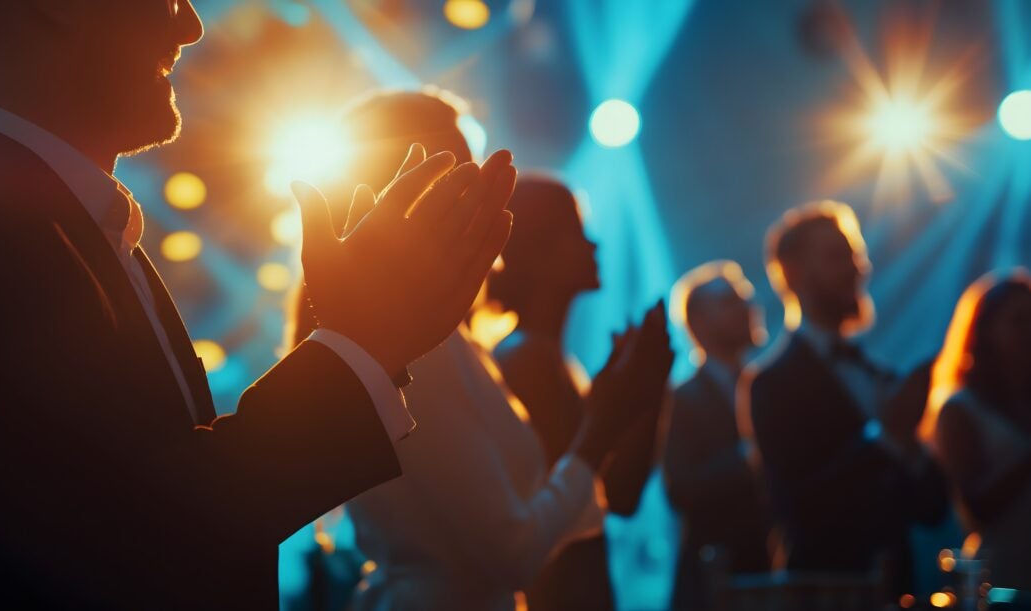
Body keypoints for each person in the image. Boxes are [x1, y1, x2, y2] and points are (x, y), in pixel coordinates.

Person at [0, 2, 515, 609]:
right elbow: (138, 541)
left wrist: (360, 342)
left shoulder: (45, 220)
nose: (190, 24)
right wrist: (362, 344)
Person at [288, 90, 668, 611]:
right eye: (463, 174)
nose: (489, 196)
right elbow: (512, 551)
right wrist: (603, 423)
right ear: (400, 188)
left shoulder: (440, 339)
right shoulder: (415, 344)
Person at [739, 201, 948, 599]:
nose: (858, 268)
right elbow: (798, 509)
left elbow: (933, 509)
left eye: (856, 254)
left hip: (896, 589)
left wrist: (912, 450)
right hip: (821, 595)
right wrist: (886, 438)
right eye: (838, 257)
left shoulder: (880, 375)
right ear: (794, 274)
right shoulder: (770, 383)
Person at [489, 175, 674, 611]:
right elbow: (606, 495)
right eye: (576, 232)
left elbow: (616, 494)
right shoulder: (528, 362)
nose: (595, 246)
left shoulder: (555, 363)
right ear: (535, 251)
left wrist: (642, 391)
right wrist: (640, 390)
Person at [662, 261, 771, 611]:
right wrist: (749, 456)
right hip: (712, 587)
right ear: (698, 323)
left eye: (744, 298)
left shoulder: (770, 388)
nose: (747, 308)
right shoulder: (681, 400)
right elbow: (680, 488)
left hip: (768, 577)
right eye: (729, 301)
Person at [925, 272, 1031, 589]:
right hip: (998, 581)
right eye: (1019, 321)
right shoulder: (961, 408)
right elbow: (977, 507)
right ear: (984, 331)